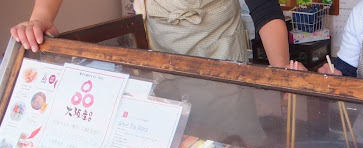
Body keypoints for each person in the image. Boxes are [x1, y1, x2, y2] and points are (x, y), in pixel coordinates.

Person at [10, 0, 292, 67]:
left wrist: (283, 77)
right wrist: (40, 18)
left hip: (218, 53)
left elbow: (265, 10)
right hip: (156, 53)